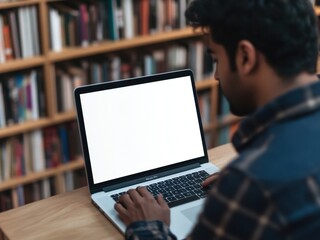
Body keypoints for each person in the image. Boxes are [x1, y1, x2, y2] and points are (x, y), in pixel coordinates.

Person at [114, 0, 320, 239]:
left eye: (216, 59)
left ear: (245, 57)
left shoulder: (251, 184)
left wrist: (147, 225)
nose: (216, 75)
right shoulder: (255, 178)